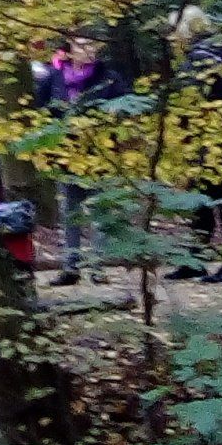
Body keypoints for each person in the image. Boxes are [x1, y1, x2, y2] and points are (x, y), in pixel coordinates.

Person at [169, 2, 222, 280]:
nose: (172, 36)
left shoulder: (199, 58)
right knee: (201, 199)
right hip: (217, 135)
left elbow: (197, 100)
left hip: (211, 138)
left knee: (221, 198)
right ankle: (195, 260)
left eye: (174, 29)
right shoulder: (218, 52)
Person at [43, 32, 128, 284]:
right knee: (70, 212)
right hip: (65, 154)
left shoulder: (109, 77)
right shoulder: (54, 78)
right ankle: (70, 268)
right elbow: (41, 113)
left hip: (100, 154)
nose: (89, 50)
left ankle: (97, 268)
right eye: (82, 45)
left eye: (92, 45)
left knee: (100, 210)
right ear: (69, 49)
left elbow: (124, 110)